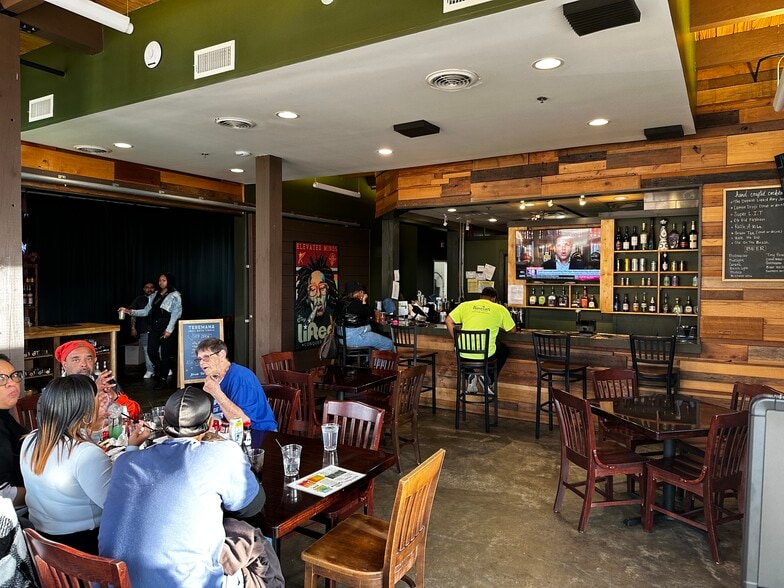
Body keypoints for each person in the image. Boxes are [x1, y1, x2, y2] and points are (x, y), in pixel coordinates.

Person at [99, 387, 283, 588]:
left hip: (116, 582)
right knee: (257, 543)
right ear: (210, 424)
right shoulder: (222, 453)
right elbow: (252, 506)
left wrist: (132, 448)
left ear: (163, 423)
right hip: (188, 583)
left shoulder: (124, 461)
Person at [20, 375, 148, 555]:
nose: (102, 402)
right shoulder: (86, 454)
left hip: (43, 542)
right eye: (97, 399)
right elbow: (119, 505)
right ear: (85, 410)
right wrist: (132, 450)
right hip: (83, 546)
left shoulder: (32, 439)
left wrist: (94, 426)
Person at [444, 287, 515, 394]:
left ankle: (470, 375)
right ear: (494, 298)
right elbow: (512, 330)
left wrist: (457, 340)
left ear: (481, 296)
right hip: (486, 355)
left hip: (463, 352)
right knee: (504, 350)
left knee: (460, 351)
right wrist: (498, 325)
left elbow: (448, 321)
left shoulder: (465, 305)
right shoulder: (500, 309)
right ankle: (488, 378)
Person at [197, 338, 277, 432]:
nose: (201, 363)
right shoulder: (215, 379)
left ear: (222, 355)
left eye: (206, 357)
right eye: (199, 359)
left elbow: (243, 422)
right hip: (230, 432)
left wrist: (216, 393)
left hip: (259, 433)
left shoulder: (241, 377)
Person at [119, 272, 182, 389]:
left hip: (167, 326)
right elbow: (145, 311)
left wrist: (169, 330)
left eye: (164, 280)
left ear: (169, 281)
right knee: (151, 352)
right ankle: (160, 370)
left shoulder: (175, 295)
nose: (161, 282)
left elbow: (176, 314)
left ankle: (162, 379)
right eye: (160, 280)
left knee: (165, 354)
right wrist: (129, 311)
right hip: (155, 326)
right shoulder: (155, 295)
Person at [54, 339, 141, 421]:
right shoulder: (56, 389)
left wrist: (115, 397)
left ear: (95, 361)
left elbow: (134, 415)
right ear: (64, 364)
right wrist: (94, 391)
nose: (84, 364)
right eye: (76, 360)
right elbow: (67, 421)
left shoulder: (106, 382)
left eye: (88, 359)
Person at [334, 281, 394, 352]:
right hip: (355, 337)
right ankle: (373, 359)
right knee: (388, 344)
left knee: (375, 340)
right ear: (358, 292)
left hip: (342, 338)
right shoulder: (355, 304)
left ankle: (370, 357)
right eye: (361, 292)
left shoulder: (340, 303)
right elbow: (371, 313)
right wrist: (364, 301)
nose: (363, 294)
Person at [0, 355, 26, 515]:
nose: (12, 383)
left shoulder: (5, 415)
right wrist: (44, 491)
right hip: (16, 517)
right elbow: (3, 495)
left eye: (14, 375)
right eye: (1, 379)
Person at [129, 280, 156, 379]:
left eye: (151, 287)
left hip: (157, 329)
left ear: (155, 289)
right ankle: (150, 370)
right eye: (147, 287)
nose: (149, 289)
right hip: (144, 328)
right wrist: (133, 327)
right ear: (144, 289)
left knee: (159, 350)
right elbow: (133, 314)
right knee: (146, 350)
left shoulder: (159, 298)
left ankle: (162, 369)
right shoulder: (139, 299)